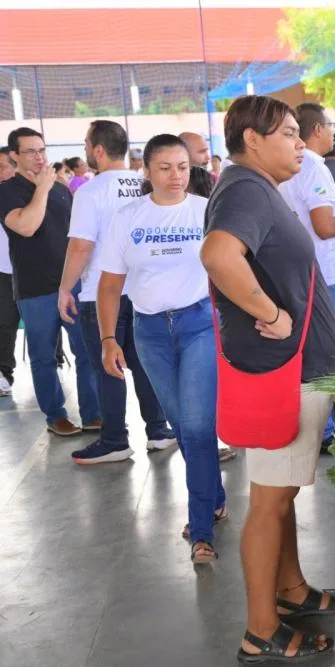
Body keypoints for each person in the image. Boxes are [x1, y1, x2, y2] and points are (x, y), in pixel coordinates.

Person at [201, 95, 335, 662]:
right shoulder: (244, 188)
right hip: (281, 373)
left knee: (282, 493)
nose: (300, 144)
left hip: (296, 368)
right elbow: (219, 256)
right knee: (268, 501)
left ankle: (292, 590)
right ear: (251, 139)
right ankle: (261, 629)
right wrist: (271, 313)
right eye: (289, 133)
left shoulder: (258, 187)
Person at [98, 133, 226, 563]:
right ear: (147, 170)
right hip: (149, 332)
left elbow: (234, 267)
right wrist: (108, 339)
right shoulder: (127, 217)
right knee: (182, 424)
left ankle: (201, 530)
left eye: (183, 167)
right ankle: (214, 496)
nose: (176, 176)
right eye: (165, 168)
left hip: (199, 325)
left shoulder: (207, 211)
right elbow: (110, 284)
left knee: (197, 425)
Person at [59, 120, 175, 464]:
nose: (85, 150)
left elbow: (81, 246)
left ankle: (114, 439)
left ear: (97, 150)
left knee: (107, 366)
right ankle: (158, 430)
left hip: (101, 293)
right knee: (143, 364)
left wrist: (65, 287)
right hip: (140, 292)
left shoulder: (90, 191)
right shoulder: (144, 184)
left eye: (86, 144)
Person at [0, 128, 101, 436]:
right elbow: (26, 227)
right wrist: (42, 189)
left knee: (87, 350)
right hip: (35, 288)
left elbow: (75, 232)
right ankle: (55, 415)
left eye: (41, 149)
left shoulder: (60, 188)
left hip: (72, 283)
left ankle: (93, 414)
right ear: (14, 155)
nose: (38, 156)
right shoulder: (8, 191)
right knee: (44, 356)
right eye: (30, 151)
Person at [282, 103, 335, 329]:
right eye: (331, 126)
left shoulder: (290, 164)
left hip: (305, 273)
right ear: (318, 129)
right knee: (334, 342)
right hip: (330, 274)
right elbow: (325, 227)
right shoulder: (313, 168)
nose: (333, 132)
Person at [0, 148, 17, 395]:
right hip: (3, 271)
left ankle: (56, 357)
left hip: (35, 272)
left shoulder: (36, 193)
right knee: (5, 323)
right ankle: (4, 372)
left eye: (2, 166)